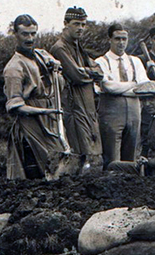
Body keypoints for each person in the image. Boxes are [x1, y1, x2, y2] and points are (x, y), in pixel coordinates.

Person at [4, 14, 68, 180]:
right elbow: (16, 106)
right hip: (31, 124)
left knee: (61, 162)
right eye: (25, 34)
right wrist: (44, 112)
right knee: (37, 172)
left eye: (33, 34)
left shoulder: (41, 54)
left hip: (51, 120)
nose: (30, 38)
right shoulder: (14, 67)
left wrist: (55, 66)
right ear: (15, 34)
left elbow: (56, 69)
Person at [50, 6, 103, 171]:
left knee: (91, 153)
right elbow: (76, 76)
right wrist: (90, 73)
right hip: (74, 106)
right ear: (65, 24)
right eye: (76, 24)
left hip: (87, 106)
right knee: (78, 153)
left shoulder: (78, 46)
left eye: (83, 24)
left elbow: (100, 71)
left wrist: (88, 72)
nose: (80, 28)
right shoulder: (60, 48)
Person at [95, 23, 151, 169]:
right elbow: (108, 86)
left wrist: (120, 87)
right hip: (111, 112)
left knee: (131, 155)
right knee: (112, 157)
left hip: (134, 112)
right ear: (110, 40)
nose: (121, 43)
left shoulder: (135, 61)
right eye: (117, 39)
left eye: (124, 39)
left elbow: (144, 86)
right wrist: (133, 84)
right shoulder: (101, 62)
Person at [106, 82, 155, 176]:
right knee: (114, 166)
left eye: (151, 99)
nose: (147, 104)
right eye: (143, 100)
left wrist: (146, 162)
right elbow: (146, 144)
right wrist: (142, 158)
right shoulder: (153, 116)